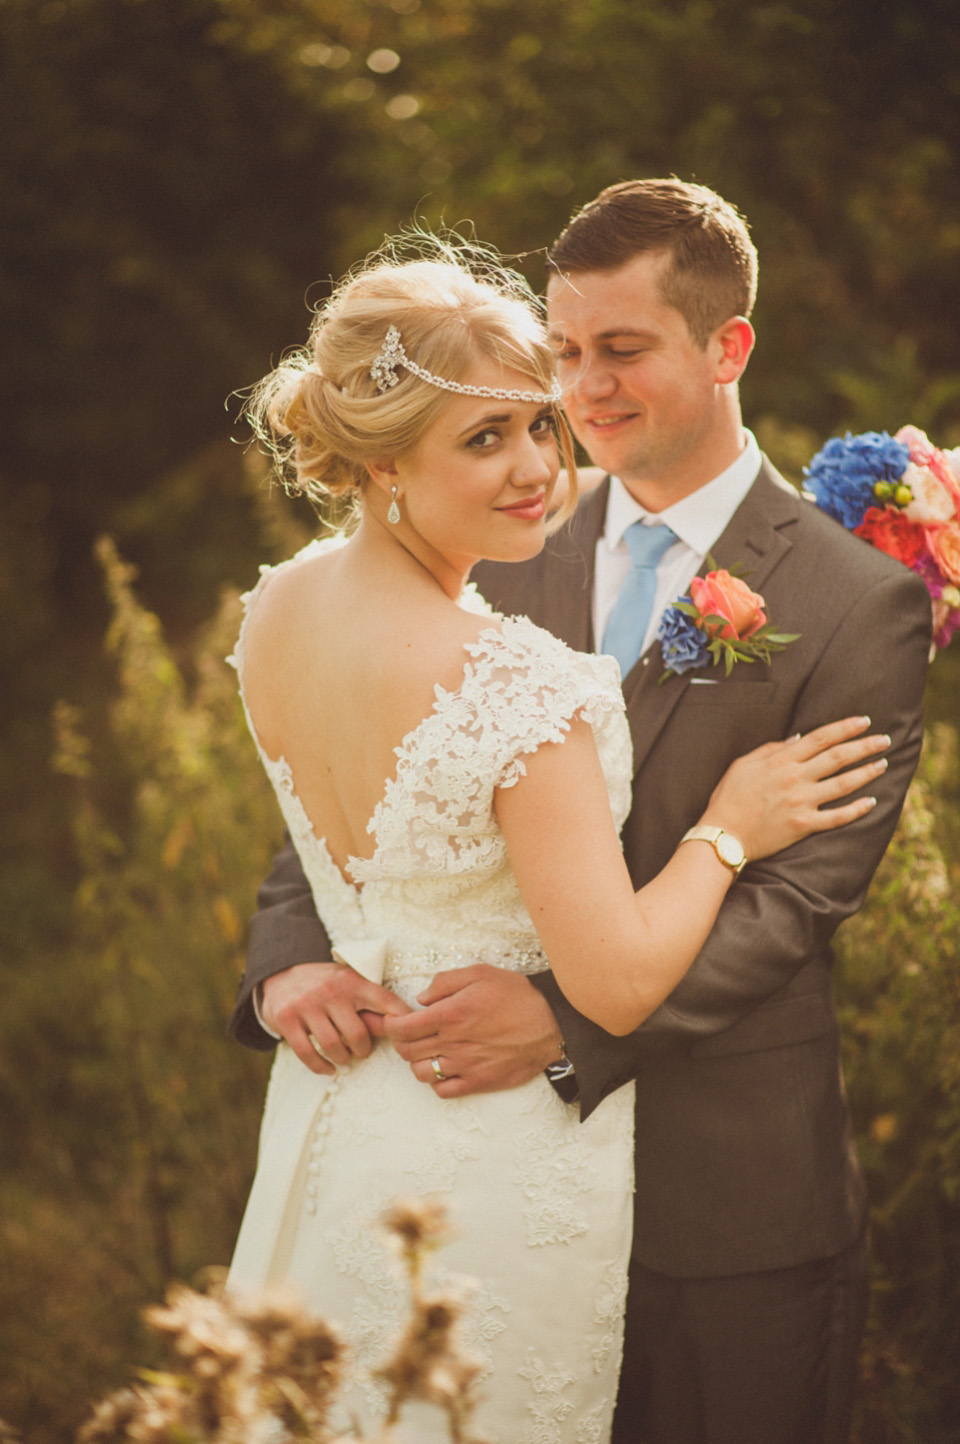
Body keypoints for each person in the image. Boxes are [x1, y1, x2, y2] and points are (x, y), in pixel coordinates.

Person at [225, 236, 894, 1444]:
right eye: (492, 434)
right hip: (487, 1157)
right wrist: (727, 832)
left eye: (543, 418)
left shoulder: (284, 599)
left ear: (725, 346)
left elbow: (811, 901)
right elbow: (355, 848)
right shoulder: (511, 645)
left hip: (569, 1166)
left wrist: (564, 1019)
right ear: (384, 460)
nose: (545, 457)